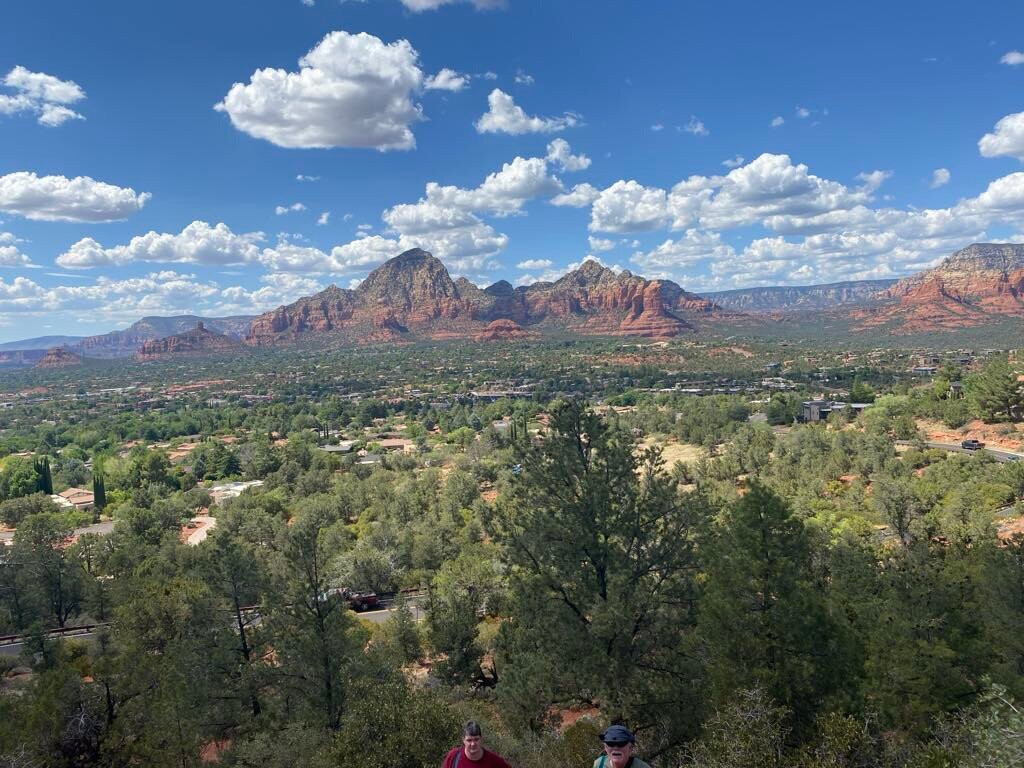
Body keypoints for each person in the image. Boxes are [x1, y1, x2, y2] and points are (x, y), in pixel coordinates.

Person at [441, 721, 512, 768]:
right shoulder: (453, 757)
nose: (473, 744)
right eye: (469, 740)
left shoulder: (494, 761)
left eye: (476, 739)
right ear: (463, 740)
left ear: (481, 739)